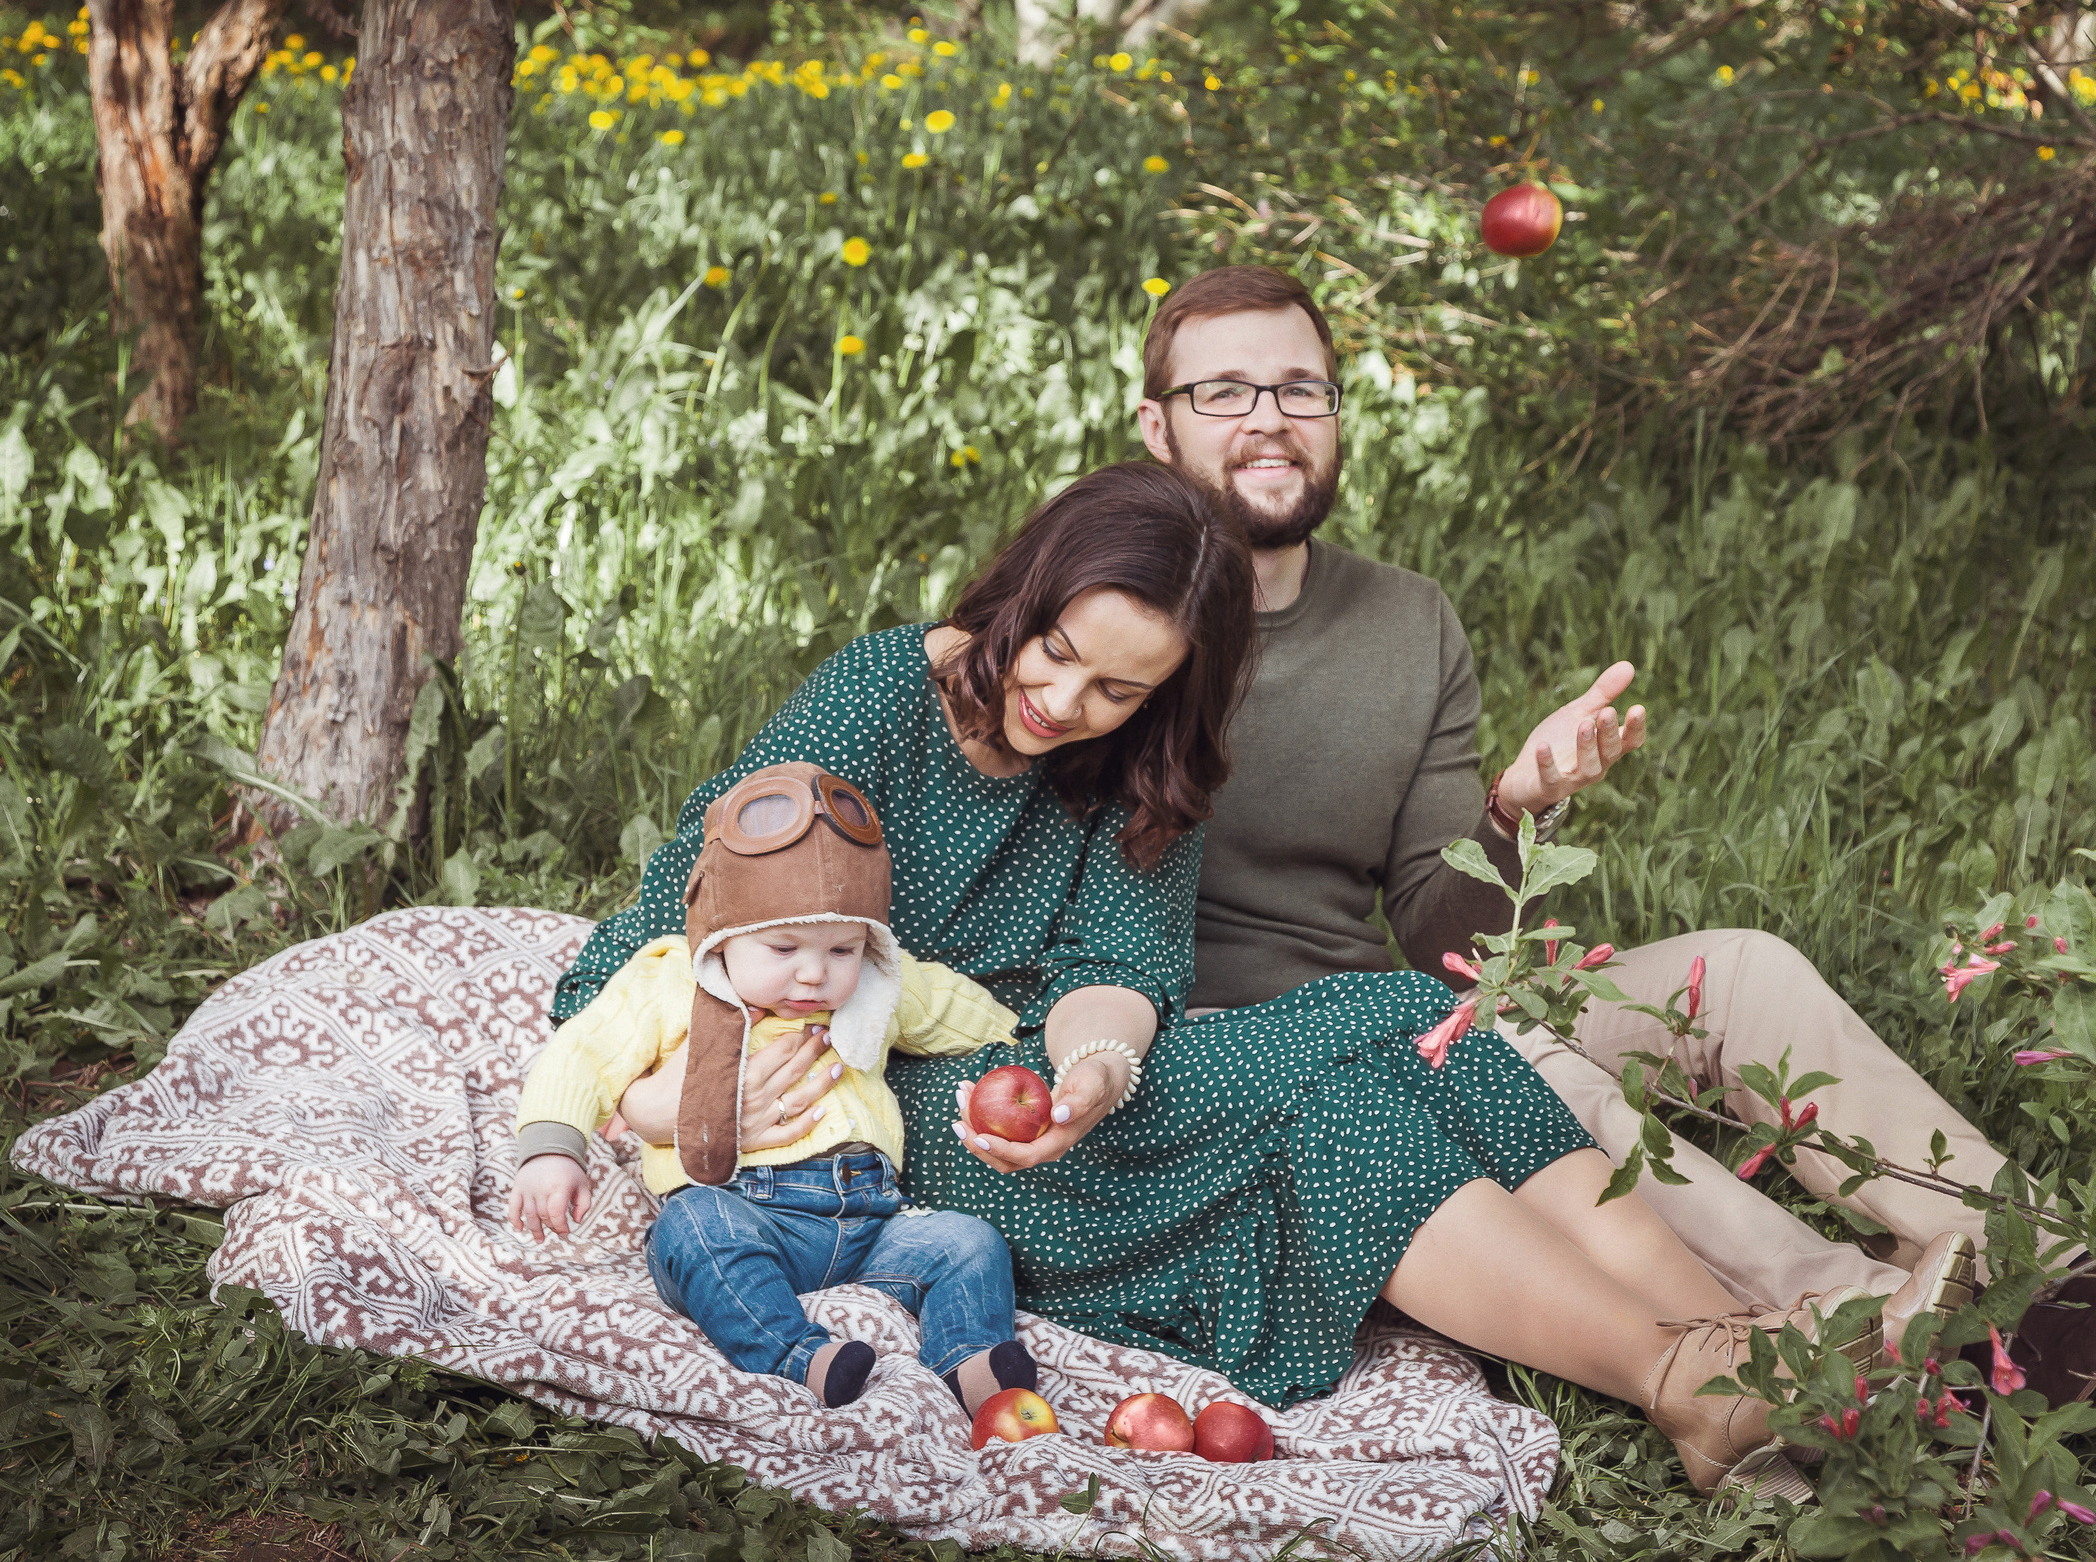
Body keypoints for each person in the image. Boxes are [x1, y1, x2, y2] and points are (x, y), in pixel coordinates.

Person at [556, 460, 1925, 1493]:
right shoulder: (875, 703)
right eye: (1058, 652)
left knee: (1411, 1030)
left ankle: (1730, 1348)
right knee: (1350, 1091)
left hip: (1048, 1088)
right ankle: (1687, 1374)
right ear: (1019, 594)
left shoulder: (1141, 763)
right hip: (907, 1129)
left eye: (1118, 689)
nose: (1066, 702)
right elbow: (673, 903)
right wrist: (679, 1090)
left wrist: (1094, 1069)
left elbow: (1126, 965)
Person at [1123, 265, 2096, 1405]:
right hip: (1226, 1057)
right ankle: (1848, 1324)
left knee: (1741, 973)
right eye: (1223, 391)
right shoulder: (1112, 613)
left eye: (1299, 390)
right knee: (1524, 1063)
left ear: (1335, 413)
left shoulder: (1406, 617)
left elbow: (1440, 937)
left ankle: (2057, 1271)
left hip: (1401, 1005)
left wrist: (1514, 812)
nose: (1268, 419)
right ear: (1155, 425)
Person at [511, 761, 1034, 1414]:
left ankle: (968, 1362)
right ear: (722, 934)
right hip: (746, 1208)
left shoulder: (877, 987)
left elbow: (956, 1006)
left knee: (968, 1242)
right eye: (784, 948)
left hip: (870, 1221)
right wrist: (551, 1148)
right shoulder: (676, 981)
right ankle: (798, 1355)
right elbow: (584, 1052)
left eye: (842, 949)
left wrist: (1027, 1040)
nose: (814, 973)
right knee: (690, 1230)